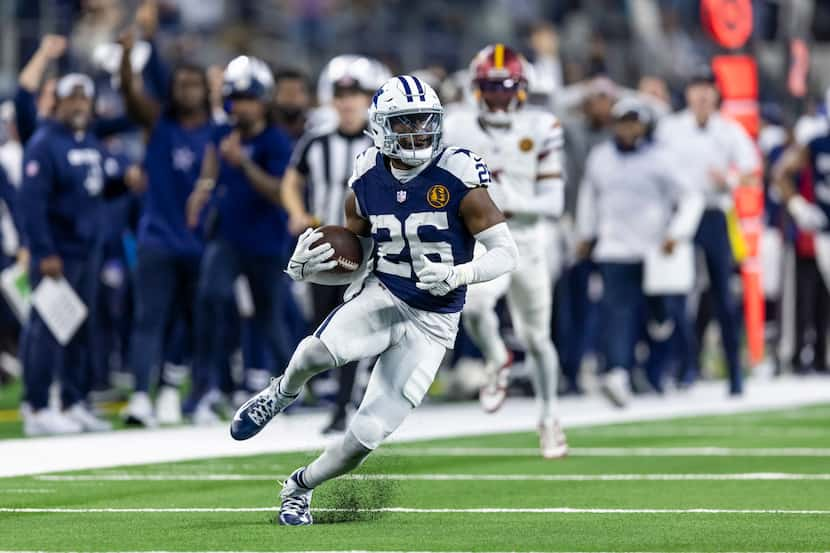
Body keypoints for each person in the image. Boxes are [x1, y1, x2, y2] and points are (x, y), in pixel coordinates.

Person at [230, 75, 518, 526]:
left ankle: (298, 487)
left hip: (434, 321)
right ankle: (280, 393)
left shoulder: (459, 172)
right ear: (381, 127)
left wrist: (458, 274)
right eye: (404, 123)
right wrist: (311, 265)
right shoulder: (367, 172)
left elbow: (506, 252)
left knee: (365, 435)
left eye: (424, 120)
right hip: (384, 292)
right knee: (315, 351)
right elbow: (361, 247)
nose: (417, 131)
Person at [442, 44, 567, 458]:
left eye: (506, 87)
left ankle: (549, 417)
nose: (498, 97)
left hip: (529, 242)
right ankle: (497, 358)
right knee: (474, 308)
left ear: (522, 89)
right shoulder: (457, 126)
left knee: (537, 338)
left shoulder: (542, 125)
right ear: (477, 90)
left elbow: (553, 202)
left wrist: (511, 203)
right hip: (484, 240)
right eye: (491, 88)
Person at [185, 56, 293, 421]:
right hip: (228, 236)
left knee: (270, 317)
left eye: (248, 97)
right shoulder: (222, 134)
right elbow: (210, 170)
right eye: (236, 97)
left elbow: (280, 192)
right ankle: (212, 386)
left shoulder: (276, 141)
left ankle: (289, 390)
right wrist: (201, 192)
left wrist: (243, 164)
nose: (241, 105)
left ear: (263, 100)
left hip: (264, 239)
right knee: (210, 299)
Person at [576, 98, 703, 406]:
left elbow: (691, 197)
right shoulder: (601, 157)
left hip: (654, 250)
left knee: (659, 315)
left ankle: (656, 372)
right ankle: (618, 374)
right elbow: (589, 195)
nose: (629, 128)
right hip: (614, 247)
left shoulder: (661, 158)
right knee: (618, 312)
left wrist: (677, 233)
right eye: (624, 121)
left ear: (645, 126)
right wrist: (586, 233)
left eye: (635, 122)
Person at [117, 30, 215, 426]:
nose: (188, 91)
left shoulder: (218, 133)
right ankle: (141, 395)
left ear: (206, 91)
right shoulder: (158, 123)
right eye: (181, 84)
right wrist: (127, 57)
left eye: (195, 84)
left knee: (194, 321)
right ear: (172, 90)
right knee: (148, 319)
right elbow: (130, 95)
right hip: (157, 239)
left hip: (200, 243)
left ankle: (174, 384)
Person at [18, 74, 120, 435]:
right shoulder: (43, 144)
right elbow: (31, 205)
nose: (79, 104)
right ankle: (37, 405)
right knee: (46, 328)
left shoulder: (88, 140)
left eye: (85, 97)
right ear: (57, 102)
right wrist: (43, 249)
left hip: (87, 250)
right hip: (58, 253)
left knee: (80, 328)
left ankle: (73, 401)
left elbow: (99, 188)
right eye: (72, 97)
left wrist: (125, 182)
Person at [281, 57, 378, 434]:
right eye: (341, 94)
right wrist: (297, 212)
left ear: (367, 98)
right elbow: (291, 180)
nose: (347, 102)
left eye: (353, 94)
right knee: (319, 324)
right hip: (323, 247)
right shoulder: (317, 142)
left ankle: (343, 403)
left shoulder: (378, 144)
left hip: (366, 251)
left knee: (352, 325)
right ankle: (326, 393)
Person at [656, 66, 760, 395]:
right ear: (687, 94)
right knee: (675, 293)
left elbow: (752, 172)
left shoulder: (728, 131)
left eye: (707, 88)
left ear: (716, 93)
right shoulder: (671, 128)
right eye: (696, 87)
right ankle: (683, 366)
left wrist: (728, 180)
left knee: (723, 296)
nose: (701, 94)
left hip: (713, 213)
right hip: (679, 215)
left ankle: (733, 372)